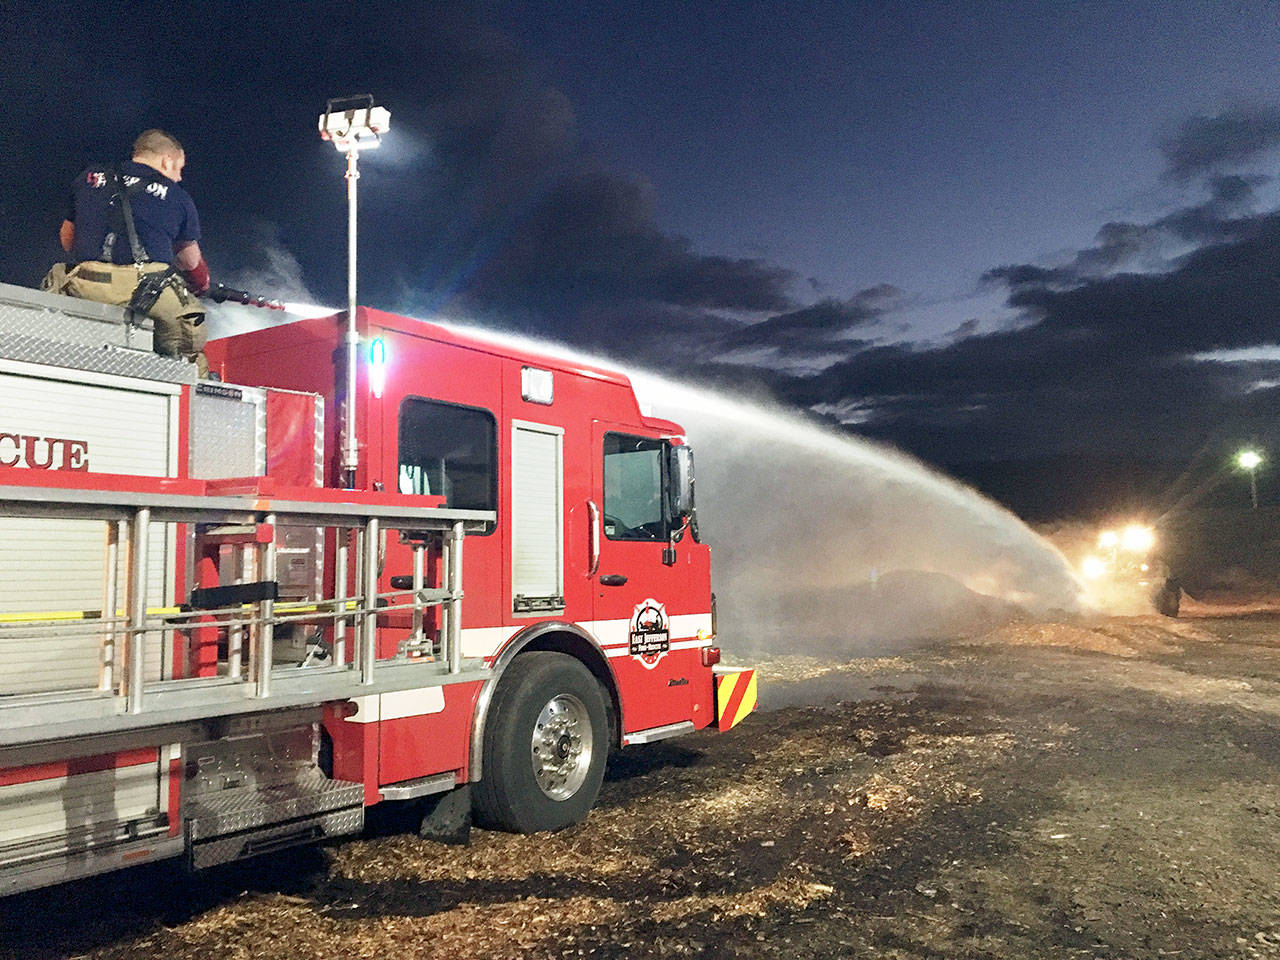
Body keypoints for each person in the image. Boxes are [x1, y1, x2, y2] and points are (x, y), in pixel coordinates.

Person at [44, 129, 211, 375]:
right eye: (179, 168)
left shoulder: (89, 178)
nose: (178, 177)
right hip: (148, 289)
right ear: (167, 159)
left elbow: (67, 240)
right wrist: (202, 283)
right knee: (189, 346)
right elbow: (190, 259)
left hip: (85, 285)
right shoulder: (177, 195)